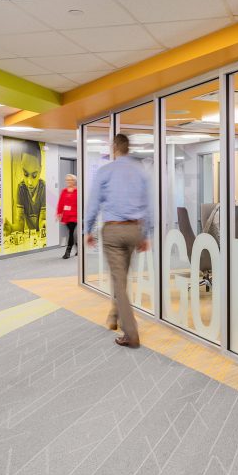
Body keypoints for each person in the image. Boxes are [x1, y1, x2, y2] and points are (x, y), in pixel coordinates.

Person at [85, 134, 153, 348]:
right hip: (134, 230)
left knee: (118, 281)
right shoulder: (140, 172)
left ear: (114, 148)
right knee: (121, 278)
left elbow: (93, 203)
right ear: (128, 148)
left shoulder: (105, 171)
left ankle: (131, 333)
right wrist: (145, 234)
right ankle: (114, 316)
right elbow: (149, 206)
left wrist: (87, 230)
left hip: (113, 232)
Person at [4, 140, 46, 235]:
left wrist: (45, 225)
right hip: (30, 237)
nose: (29, 182)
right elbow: (20, 223)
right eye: (25, 174)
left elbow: (42, 220)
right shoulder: (21, 188)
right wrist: (11, 228)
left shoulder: (43, 188)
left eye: (34, 175)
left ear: (40, 170)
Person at [56, 174, 78, 259]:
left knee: (71, 233)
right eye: (67, 180)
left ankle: (68, 252)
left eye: (71, 180)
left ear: (74, 181)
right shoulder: (64, 191)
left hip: (75, 216)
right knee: (72, 233)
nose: (69, 181)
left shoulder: (77, 191)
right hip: (66, 216)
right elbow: (61, 203)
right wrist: (59, 213)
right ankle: (79, 248)